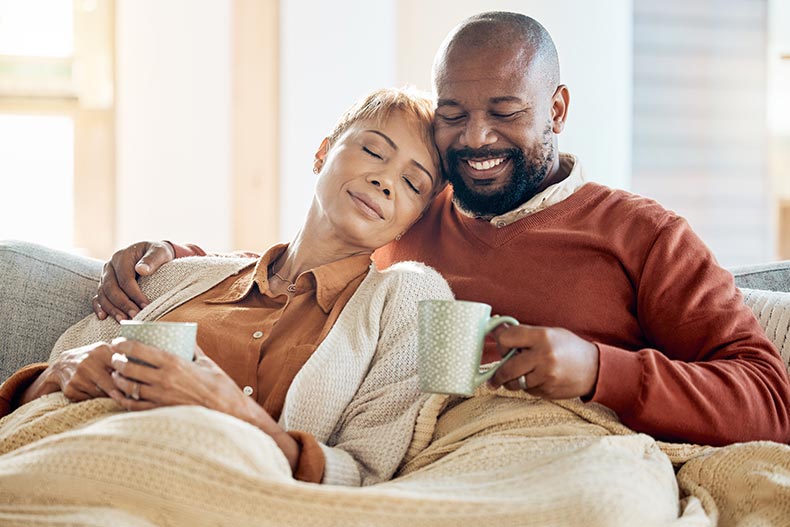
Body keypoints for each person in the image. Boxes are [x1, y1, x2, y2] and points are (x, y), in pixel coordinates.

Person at [94, 11, 790, 447]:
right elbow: (303, 262)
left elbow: (768, 395)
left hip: (552, 451)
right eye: (453, 112)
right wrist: (169, 258)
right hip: (404, 459)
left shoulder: (642, 233)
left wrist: (599, 368)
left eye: (505, 111)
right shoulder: (412, 211)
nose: (475, 136)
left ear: (558, 108)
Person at [0, 86, 454, 487]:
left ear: (412, 220)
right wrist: (55, 374)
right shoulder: (176, 274)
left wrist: (234, 412)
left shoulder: (409, 299)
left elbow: (362, 475)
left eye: (414, 183)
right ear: (322, 153)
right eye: (374, 152)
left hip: (181, 494)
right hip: (50, 456)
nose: (386, 180)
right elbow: (41, 386)